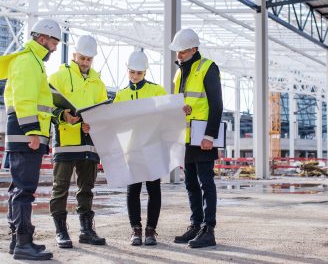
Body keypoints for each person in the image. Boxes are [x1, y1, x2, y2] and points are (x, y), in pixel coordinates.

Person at [0, 18, 61, 260]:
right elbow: (24, 99)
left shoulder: (32, 61)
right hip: (26, 134)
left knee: (19, 188)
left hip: (25, 134)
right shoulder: (28, 61)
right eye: (53, 42)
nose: (54, 48)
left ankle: (19, 241)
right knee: (24, 190)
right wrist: (32, 131)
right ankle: (22, 244)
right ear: (42, 38)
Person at [48, 35, 108, 248]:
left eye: (89, 59)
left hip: (89, 141)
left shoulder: (98, 83)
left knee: (86, 189)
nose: (85, 63)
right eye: (82, 58)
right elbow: (47, 105)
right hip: (66, 140)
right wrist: (63, 115)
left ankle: (86, 230)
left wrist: (95, 123)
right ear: (74, 55)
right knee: (60, 187)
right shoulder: (59, 77)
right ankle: (61, 231)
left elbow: (103, 112)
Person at [169, 29, 223, 248]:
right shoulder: (179, 73)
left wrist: (210, 135)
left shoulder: (208, 68)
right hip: (186, 137)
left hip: (202, 137)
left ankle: (208, 229)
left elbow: (216, 104)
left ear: (193, 49)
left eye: (181, 51)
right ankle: (195, 225)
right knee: (191, 184)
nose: (178, 55)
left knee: (206, 183)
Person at [113, 50, 167, 246]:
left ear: (145, 72)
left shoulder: (157, 91)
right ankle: (135, 229)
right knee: (133, 190)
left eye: (139, 73)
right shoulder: (121, 95)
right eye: (132, 72)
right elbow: (114, 124)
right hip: (132, 150)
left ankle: (151, 230)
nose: (135, 76)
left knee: (154, 190)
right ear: (127, 70)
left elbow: (167, 117)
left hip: (152, 148)